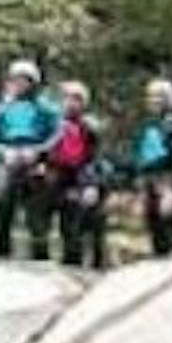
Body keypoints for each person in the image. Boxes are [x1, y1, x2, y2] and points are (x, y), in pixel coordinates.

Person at [0, 58, 62, 259]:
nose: (19, 84)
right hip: (9, 157)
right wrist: (4, 152)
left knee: (36, 211)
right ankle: (0, 251)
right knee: (0, 203)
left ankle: (40, 254)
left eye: (24, 80)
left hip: (35, 159)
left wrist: (38, 151)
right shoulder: (3, 108)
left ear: (33, 83)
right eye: (15, 80)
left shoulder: (46, 107)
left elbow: (57, 134)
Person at [50, 78, 112, 271]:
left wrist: (91, 184)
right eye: (66, 98)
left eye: (76, 98)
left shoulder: (90, 127)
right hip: (61, 177)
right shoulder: (54, 125)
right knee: (68, 221)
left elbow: (95, 158)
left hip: (86, 177)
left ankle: (98, 261)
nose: (70, 102)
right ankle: (70, 259)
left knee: (92, 215)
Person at [132, 79, 172, 260]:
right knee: (154, 225)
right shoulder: (148, 125)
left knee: (169, 223)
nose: (153, 100)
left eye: (158, 96)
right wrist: (139, 181)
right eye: (150, 96)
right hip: (149, 178)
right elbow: (141, 154)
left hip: (167, 179)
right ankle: (159, 256)